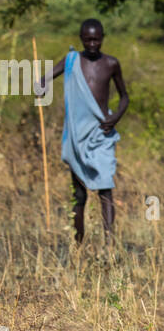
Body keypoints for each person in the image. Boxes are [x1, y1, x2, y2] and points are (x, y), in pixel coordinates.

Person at [41, 19, 127, 242]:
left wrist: (115, 117)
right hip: (77, 136)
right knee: (79, 195)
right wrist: (41, 84)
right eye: (87, 39)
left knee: (105, 189)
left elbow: (125, 97)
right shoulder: (71, 60)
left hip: (101, 134)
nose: (92, 44)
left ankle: (110, 244)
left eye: (96, 39)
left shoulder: (111, 63)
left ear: (102, 38)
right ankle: (78, 244)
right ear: (80, 39)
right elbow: (46, 78)